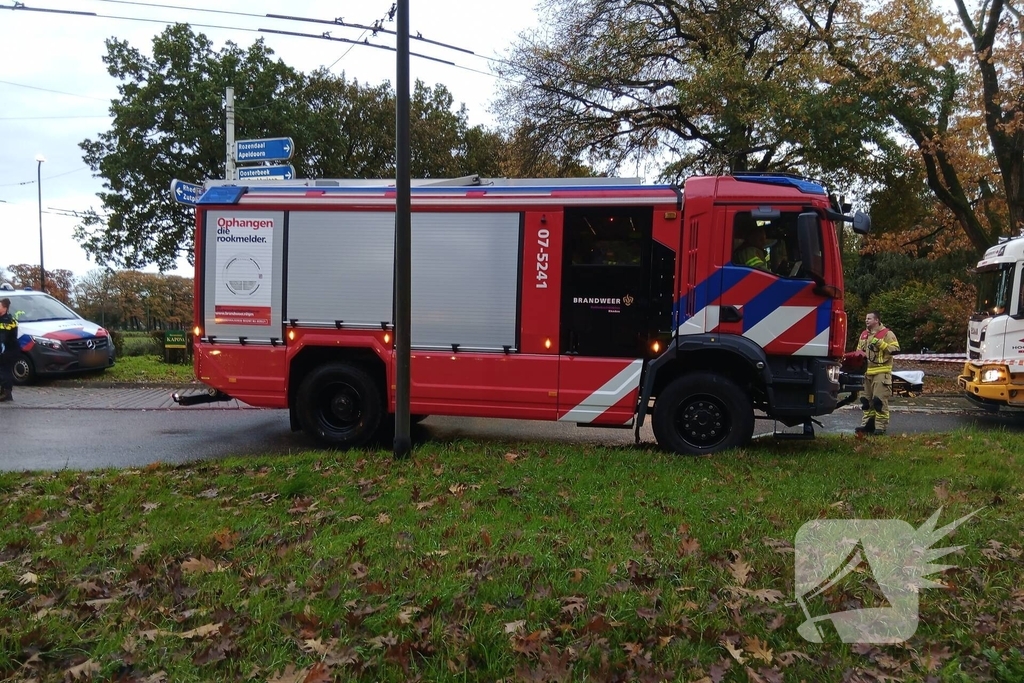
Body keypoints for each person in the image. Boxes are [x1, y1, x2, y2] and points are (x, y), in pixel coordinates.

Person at [854, 311, 900, 435]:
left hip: (881, 373)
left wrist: (881, 344)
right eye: (866, 318)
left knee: (879, 401)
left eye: (869, 318)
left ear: (877, 320)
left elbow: (895, 350)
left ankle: (880, 427)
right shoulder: (864, 335)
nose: (866, 320)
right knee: (865, 401)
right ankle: (867, 425)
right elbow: (859, 352)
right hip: (866, 373)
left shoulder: (887, 334)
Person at [0, 297, 17, 403]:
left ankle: (7, 393)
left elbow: (3, 337)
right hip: (5, 349)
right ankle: (4, 391)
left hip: (9, 349)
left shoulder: (8, 321)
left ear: (5, 308)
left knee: (5, 370)